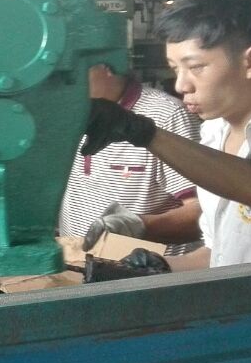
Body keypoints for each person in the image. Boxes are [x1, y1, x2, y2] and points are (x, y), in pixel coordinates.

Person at [83, 0, 251, 269]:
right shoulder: (213, 132)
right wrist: (159, 268)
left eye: (196, 67)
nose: (181, 85)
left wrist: (143, 132)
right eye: (175, 69)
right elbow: (218, 254)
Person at [63, 64, 202, 255]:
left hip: (144, 269)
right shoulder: (69, 114)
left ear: (106, 64)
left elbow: (203, 212)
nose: (61, 83)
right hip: (76, 264)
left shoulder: (168, 115)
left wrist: (137, 226)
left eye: (70, 72)